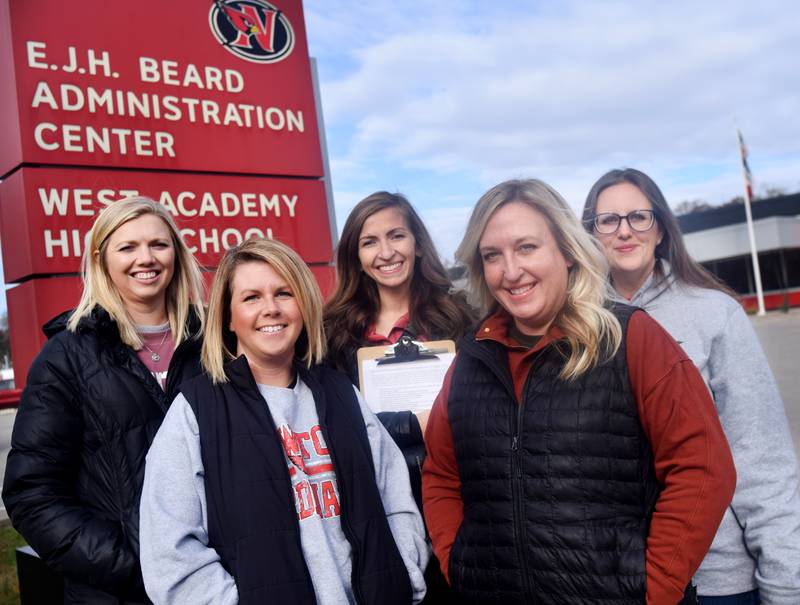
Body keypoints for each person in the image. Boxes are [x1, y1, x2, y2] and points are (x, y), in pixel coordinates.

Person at [422, 178, 737, 605]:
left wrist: (655, 588)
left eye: (527, 247)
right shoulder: (470, 361)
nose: (510, 271)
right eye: (492, 256)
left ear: (567, 252)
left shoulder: (632, 338)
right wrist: (458, 561)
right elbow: (441, 473)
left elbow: (702, 468)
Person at [139, 238, 428, 605]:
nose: (270, 309)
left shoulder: (342, 394)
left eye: (283, 293)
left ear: (303, 305)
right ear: (228, 317)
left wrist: (406, 576)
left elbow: (396, 497)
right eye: (251, 297)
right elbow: (170, 556)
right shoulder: (195, 412)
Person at [583, 168, 800, 605]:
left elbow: (760, 455)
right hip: (611, 577)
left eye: (639, 217)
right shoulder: (577, 324)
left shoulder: (714, 313)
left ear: (660, 228)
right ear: (590, 233)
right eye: (608, 220)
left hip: (716, 578)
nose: (624, 231)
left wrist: (786, 580)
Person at [2, 196, 206, 604]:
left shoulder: (214, 341)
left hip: (216, 580)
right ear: (101, 259)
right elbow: (32, 493)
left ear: (177, 254)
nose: (145, 258)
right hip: (120, 591)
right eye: (127, 247)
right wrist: (134, 567)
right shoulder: (67, 356)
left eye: (158, 245)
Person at [324, 191, 475, 603]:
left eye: (397, 236)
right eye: (369, 242)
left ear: (418, 243)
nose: (386, 252)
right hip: (376, 508)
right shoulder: (332, 333)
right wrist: (411, 423)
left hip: (460, 502)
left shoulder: (462, 317)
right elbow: (331, 426)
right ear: (354, 256)